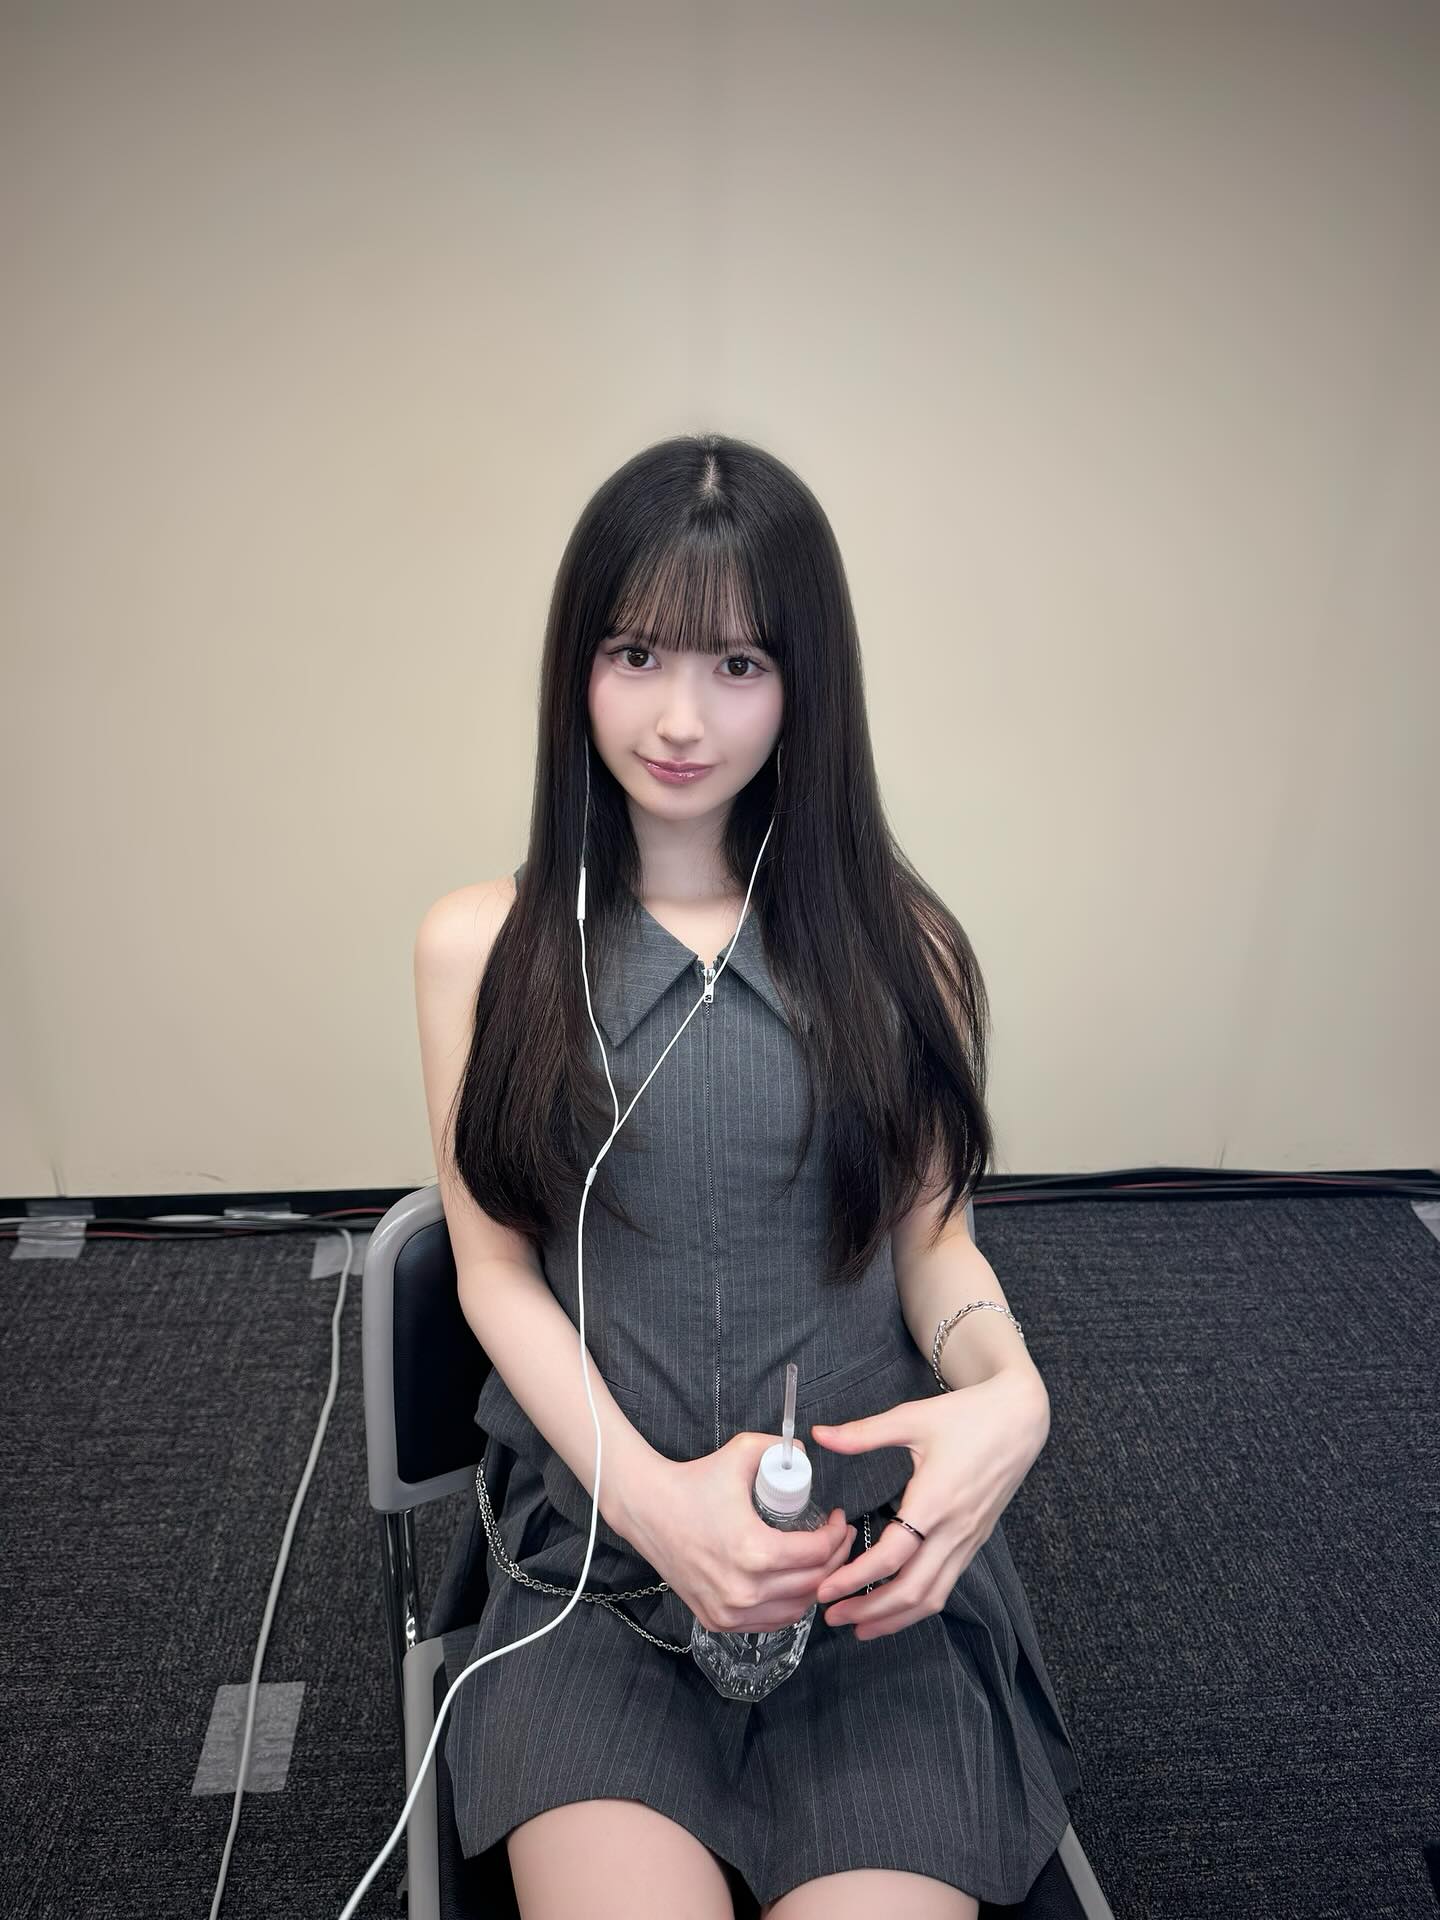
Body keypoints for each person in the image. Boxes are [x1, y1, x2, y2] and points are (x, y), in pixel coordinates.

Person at [413, 433, 1084, 1920]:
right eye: (637, 654)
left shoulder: (905, 948)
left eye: (737, 665)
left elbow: (934, 1253)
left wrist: (1015, 1391)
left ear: (804, 685)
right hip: (602, 1563)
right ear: (578, 667)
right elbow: (494, 1273)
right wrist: (657, 1509)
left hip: (866, 1577)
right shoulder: (482, 948)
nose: (679, 718)